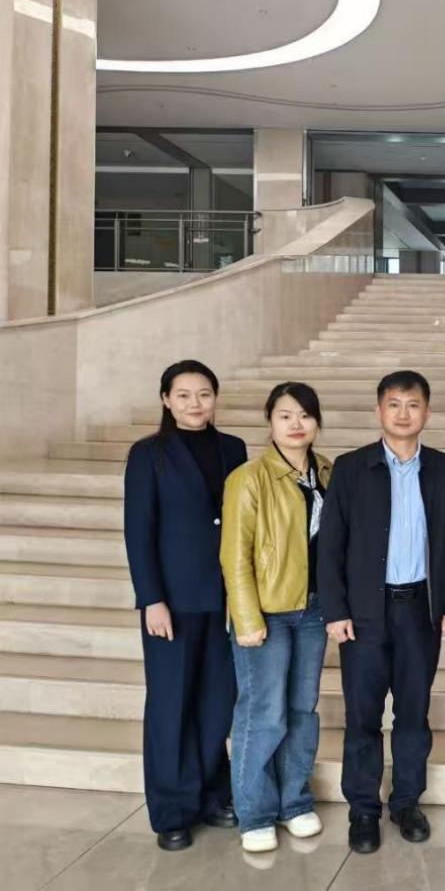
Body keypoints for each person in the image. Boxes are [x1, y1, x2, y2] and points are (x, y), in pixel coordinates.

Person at [317, 370, 445, 854]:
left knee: (413, 712)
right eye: (394, 404)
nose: (404, 413)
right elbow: (330, 545)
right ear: (379, 410)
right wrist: (335, 609)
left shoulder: (443, 468)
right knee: (362, 714)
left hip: (420, 609)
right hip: (364, 613)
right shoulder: (351, 468)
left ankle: (405, 802)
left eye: (413, 404)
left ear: (427, 412)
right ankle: (363, 808)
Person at [123, 359, 247, 851]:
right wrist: (151, 598)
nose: (195, 404)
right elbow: (139, 532)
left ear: (215, 398)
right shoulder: (148, 454)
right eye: (184, 395)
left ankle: (213, 794)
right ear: (166, 400)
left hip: (226, 600)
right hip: (172, 603)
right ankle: (173, 810)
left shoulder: (233, 448)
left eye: (204, 394)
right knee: (171, 703)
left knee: (217, 701)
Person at [221, 382, 332, 852]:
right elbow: (234, 554)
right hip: (268, 611)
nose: (296, 424)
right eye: (285, 415)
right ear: (270, 422)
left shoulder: (327, 472)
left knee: (302, 710)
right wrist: (246, 617)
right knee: (263, 712)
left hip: (314, 610)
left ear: (317, 422)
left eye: (305, 415)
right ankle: (255, 812)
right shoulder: (249, 477)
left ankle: (295, 802)